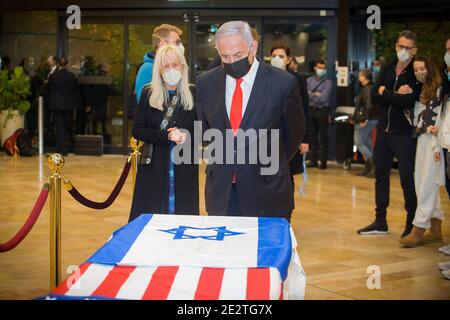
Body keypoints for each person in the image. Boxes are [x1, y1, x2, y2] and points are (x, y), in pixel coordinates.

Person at [196, 21, 305, 221]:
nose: (231, 62)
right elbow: (206, 129)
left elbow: (293, 135)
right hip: (222, 193)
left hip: (267, 190)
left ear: (253, 47)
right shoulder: (206, 83)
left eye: (237, 55)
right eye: (224, 56)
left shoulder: (283, 83)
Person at [358, 30, 421, 238]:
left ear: (414, 50)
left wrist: (387, 93)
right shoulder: (387, 67)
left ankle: (412, 223)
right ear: (396, 46)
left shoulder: (416, 71)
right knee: (380, 176)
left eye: (407, 48)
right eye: (400, 46)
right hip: (383, 131)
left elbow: (409, 101)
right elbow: (375, 97)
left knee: (406, 179)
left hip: (404, 133)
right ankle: (380, 221)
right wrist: (389, 94)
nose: (402, 51)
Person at [129, 45, 199, 222]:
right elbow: (137, 130)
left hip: (184, 165)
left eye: (175, 65)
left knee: (183, 216)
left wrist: (185, 135)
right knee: (152, 215)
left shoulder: (193, 93)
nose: (171, 70)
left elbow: (202, 130)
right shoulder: (148, 93)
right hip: (154, 164)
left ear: (182, 67)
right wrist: (165, 136)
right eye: (165, 66)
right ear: (159, 69)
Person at [398, 56, 444, 247]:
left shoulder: (441, 89)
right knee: (423, 181)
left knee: (427, 183)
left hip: (436, 140)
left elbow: (444, 113)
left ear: (430, 68)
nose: (419, 73)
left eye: (422, 69)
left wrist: (439, 128)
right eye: (416, 70)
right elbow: (415, 116)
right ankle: (436, 227)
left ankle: (419, 226)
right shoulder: (422, 89)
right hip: (422, 138)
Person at [270, 43, 311, 191]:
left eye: (281, 56)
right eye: (274, 56)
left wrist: (304, 139)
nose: (277, 59)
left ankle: (286, 212)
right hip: (268, 137)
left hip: (290, 136)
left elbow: (304, 110)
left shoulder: (296, 80)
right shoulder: (263, 79)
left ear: (288, 60)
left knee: (287, 175)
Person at [134, 24, 184, 104]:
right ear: (163, 43)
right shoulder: (148, 68)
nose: (180, 46)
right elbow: (145, 105)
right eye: (177, 42)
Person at [48, 57, 77, 156]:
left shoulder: (54, 76)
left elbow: (49, 86)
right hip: (68, 104)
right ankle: (64, 148)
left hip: (57, 104)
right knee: (66, 126)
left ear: (58, 64)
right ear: (67, 64)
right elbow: (74, 88)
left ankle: (61, 148)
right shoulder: (72, 76)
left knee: (59, 126)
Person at [307, 60, 332, 169]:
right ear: (315, 68)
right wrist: (315, 94)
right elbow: (306, 94)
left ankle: (323, 162)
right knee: (312, 136)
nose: (321, 70)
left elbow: (323, 98)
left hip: (322, 110)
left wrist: (312, 95)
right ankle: (313, 161)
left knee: (323, 137)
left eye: (323, 68)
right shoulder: (309, 80)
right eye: (319, 67)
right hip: (311, 110)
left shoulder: (328, 82)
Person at [353, 69, 379, 177]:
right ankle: (368, 168)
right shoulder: (369, 88)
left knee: (359, 143)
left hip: (366, 120)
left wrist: (364, 119)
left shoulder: (367, 89)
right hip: (373, 119)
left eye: (360, 75)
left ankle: (372, 166)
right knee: (367, 144)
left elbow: (368, 105)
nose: (358, 76)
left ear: (364, 77)